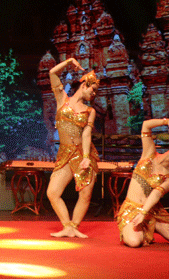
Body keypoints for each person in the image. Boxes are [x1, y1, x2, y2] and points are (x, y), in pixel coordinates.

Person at [117, 118, 169, 247]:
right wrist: (167, 121)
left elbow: (156, 194)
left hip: (152, 211)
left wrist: (144, 213)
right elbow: (146, 126)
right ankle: (144, 225)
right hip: (131, 208)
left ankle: (153, 224)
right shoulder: (149, 153)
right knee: (134, 242)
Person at [47, 58, 100, 238]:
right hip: (65, 152)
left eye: (95, 92)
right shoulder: (62, 99)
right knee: (52, 192)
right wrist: (69, 61)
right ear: (84, 85)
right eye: (92, 89)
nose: (93, 94)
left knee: (85, 194)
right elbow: (52, 73)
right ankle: (67, 226)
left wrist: (86, 156)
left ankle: (74, 226)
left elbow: (86, 135)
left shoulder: (90, 111)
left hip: (83, 153)